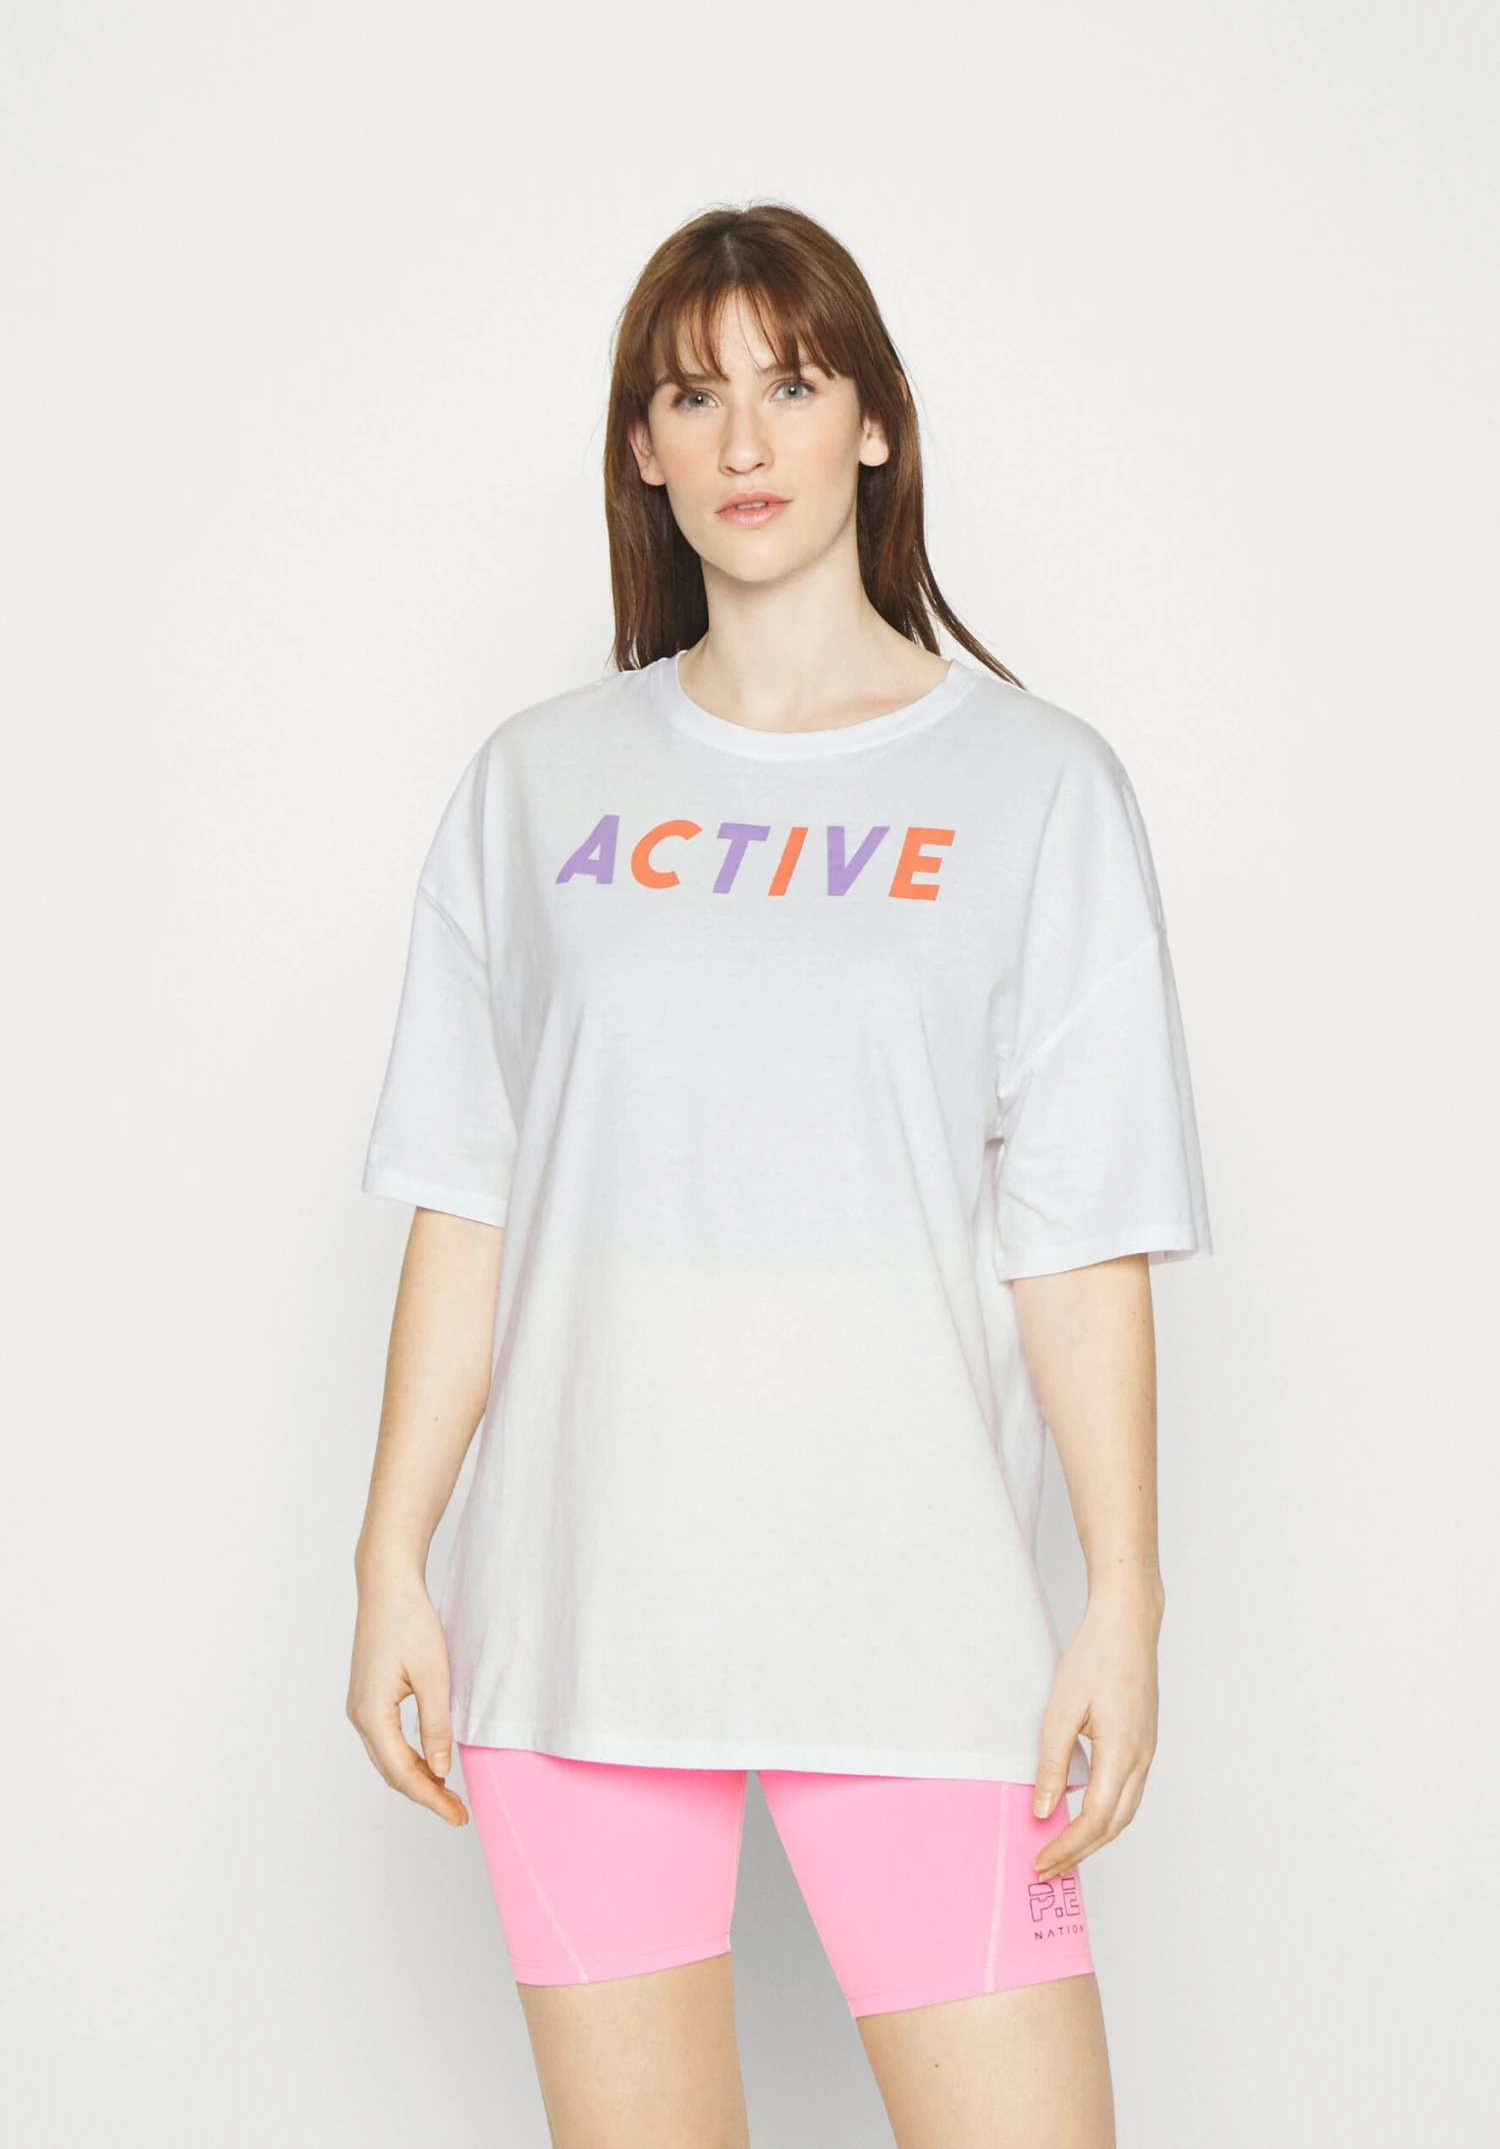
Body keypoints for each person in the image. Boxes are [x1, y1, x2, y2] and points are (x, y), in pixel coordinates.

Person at [347, 201, 1211, 2149]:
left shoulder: (1037, 788)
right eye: (691, 396)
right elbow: (470, 1198)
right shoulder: (537, 785)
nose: (745, 441)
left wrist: (1124, 1595)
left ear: (874, 424)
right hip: (579, 1622)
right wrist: (392, 1552)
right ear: (641, 450)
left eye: (793, 386)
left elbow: (1079, 1236)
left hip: (924, 1620)